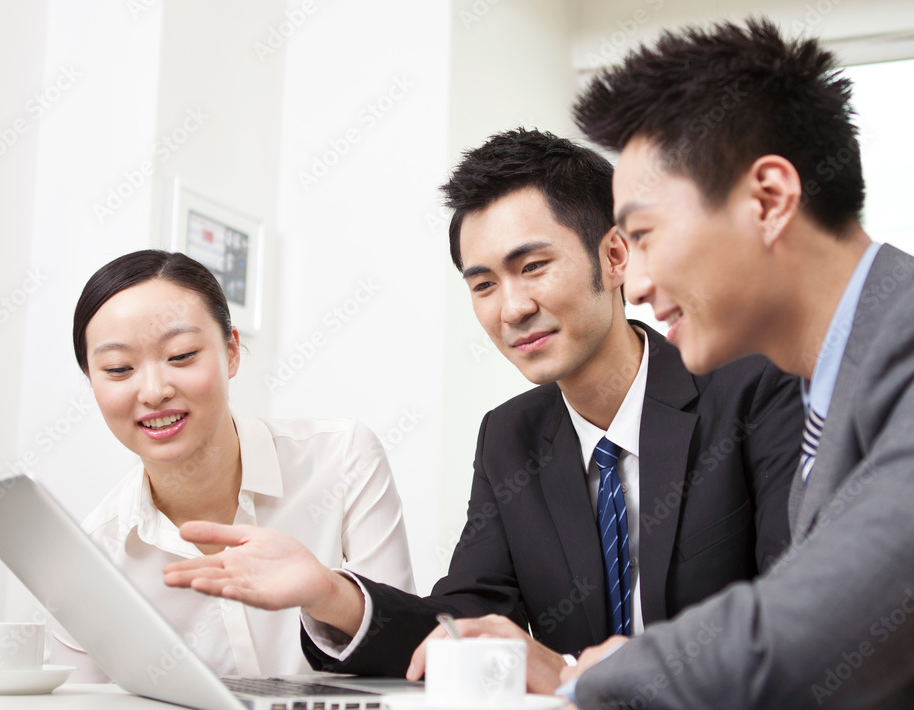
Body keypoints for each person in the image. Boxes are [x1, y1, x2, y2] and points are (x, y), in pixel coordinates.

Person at [163, 129, 803, 692]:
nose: (512, 307)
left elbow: (799, 613)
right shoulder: (512, 435)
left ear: (614, 256)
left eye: (534, 266)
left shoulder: (751, 388)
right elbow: (461, 623)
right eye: (484, 284)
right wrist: (330, 594)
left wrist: (577, 671)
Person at [548, 17, 914, 709]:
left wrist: (594, 679)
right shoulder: (827, 392)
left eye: (646, 236)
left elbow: (809, 635)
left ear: (769, 199)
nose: (640, 283)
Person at [52, 249, 414, 680]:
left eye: (181, 355)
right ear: (91, 381)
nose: (153, 391)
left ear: (232, 352)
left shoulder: (344, 459)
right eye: (118, 368)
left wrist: (328, 594)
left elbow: (407, 656)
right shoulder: (89, 559)